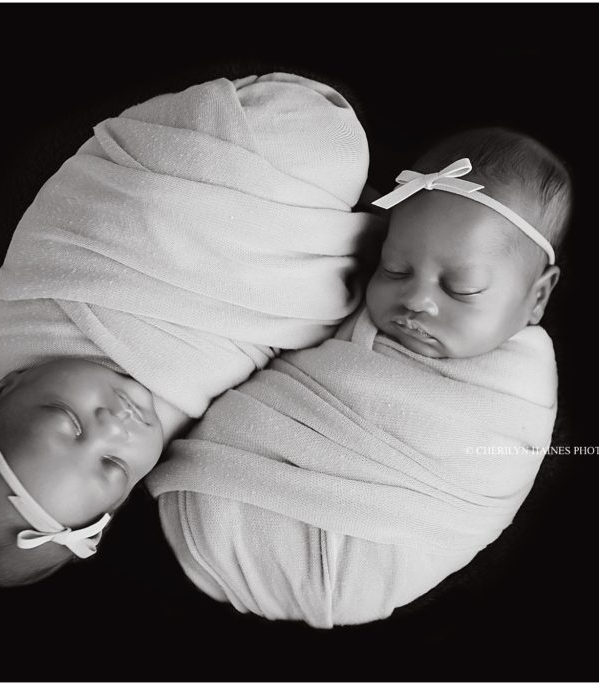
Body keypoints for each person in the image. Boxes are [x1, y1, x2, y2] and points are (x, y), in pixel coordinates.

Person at [0, 72, 380, 587]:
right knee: (325, 165)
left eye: (69, 422)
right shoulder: (174, 448)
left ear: (1, 389)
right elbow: (257, 357)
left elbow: (82, 225)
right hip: (249, 254)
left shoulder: (37, 311)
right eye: (113, 464)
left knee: (297, 140)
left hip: (180, 182)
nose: (116, 425)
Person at [147, 127, 573, 627]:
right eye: (394, 269)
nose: (417, 299)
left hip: (357, 566)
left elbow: (491, 467)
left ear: (538, 297)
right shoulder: (350, 302)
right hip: (211, 513)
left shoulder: (515, 389)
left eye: (462, 288)